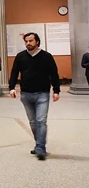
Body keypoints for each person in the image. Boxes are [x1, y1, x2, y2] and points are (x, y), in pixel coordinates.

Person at [9, 32, 60, 161]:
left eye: (31, 41)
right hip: (26, 94)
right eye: (26, 41)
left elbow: (54, 73)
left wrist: (56, 90)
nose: (28, 43)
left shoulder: (46, 56)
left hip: (42, 94)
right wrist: (11, 88)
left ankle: (40, 147)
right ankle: (39, 145)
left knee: (41, 121)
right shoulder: (20, 56)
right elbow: (14, 72)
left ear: (37, 41)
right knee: (33, 122)